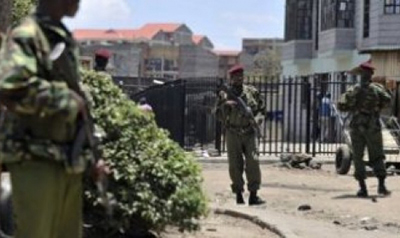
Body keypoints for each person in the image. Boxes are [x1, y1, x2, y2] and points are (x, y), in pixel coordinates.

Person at [0, 0, 108, 237]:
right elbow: (11, 89)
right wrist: (65, 99)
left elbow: (78, 112)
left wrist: (92, 158)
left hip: (66, 162)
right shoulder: (27, 35)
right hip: (35, 159)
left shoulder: (63, 38)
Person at [337, 60, 392, 198]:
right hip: (373, 125)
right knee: (377, 155)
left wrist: (354, 107)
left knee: (357, 156)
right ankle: (381, 186)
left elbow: (341, 106)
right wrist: (376, 108)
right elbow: (388, 101)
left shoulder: (353, 90)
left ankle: (363, 188)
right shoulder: (377, 89)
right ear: (371, 75)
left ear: (360, 75)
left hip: (357, 126)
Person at [215, 64, 265, 205]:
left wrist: (256, 120)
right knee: (235, 165)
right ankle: (238, 195)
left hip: (250, 132)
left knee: (253, 161)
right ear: (231, 78)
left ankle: (254, 195)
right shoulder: (224, 94)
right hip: (233, 132)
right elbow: (217, 114)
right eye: (235, 77)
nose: (238, 79)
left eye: (240, 76)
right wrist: (226, 105)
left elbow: (262, 110)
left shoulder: (252, 92)